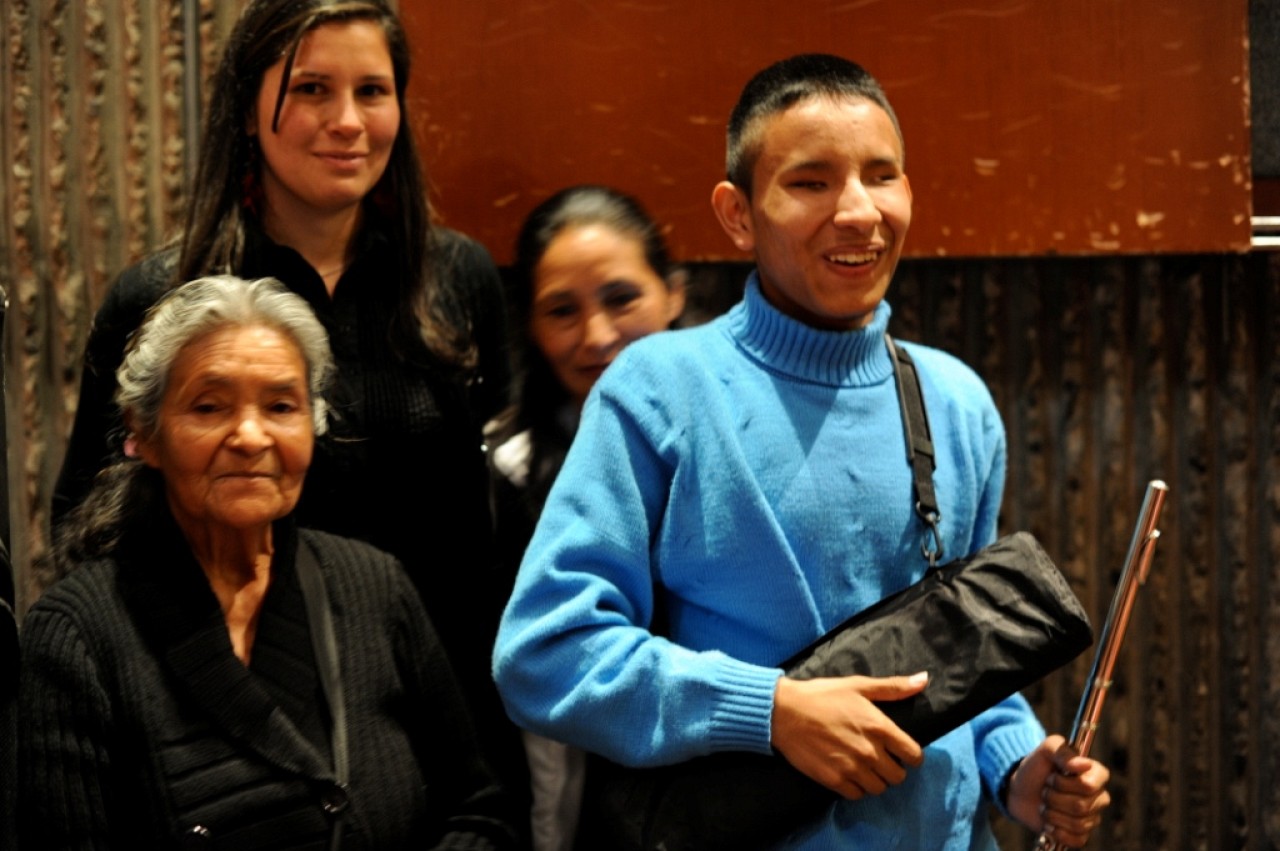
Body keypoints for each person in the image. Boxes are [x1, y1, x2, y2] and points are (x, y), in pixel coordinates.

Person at [493, 54, 1111, 849]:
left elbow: (962, 648)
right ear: (738, 213)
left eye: (882, 175)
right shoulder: (659, 388)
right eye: (811, 182)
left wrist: (1019, 767)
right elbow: (546, 652)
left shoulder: (955, 400)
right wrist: (771, 711)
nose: (858, 211)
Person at [52, 0, 508, 715]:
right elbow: (89, 531)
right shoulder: (158, 298)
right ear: (244, 109)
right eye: (312, 89)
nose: (350, 122)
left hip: (435, 700)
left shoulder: (459, 281)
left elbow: (489, 535)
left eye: (373, 91)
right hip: (226, 707)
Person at [20, 276, 518, 850]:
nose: (251, 436)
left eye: (281, 406)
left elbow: (481, 808)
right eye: (209, 407)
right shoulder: (77, 638)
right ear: (144, 433)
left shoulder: (375, 586)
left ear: (314, 423)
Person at [488, 186, 685, 850]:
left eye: (622, 298)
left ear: (674, 294)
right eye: (562, 311)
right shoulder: (507, 472)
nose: (598, 336)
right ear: (531, 327)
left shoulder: (741, 443)